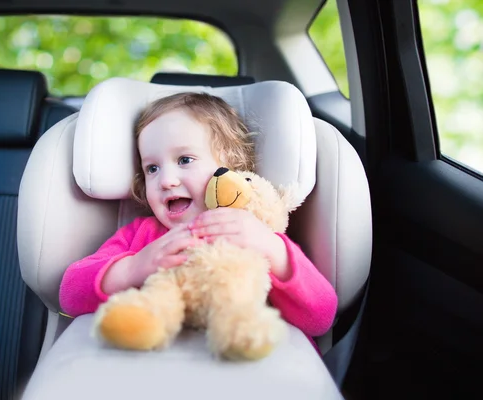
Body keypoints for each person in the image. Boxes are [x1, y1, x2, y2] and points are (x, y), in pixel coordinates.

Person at [59, 92, 338, 345]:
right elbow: (70, 295)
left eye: (184, 160)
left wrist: (273, 250)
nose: (166, 180)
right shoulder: (143, 234)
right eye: (152, 168)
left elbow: (321, 316)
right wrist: (133, 268)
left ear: (230, 164)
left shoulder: (255, 229)